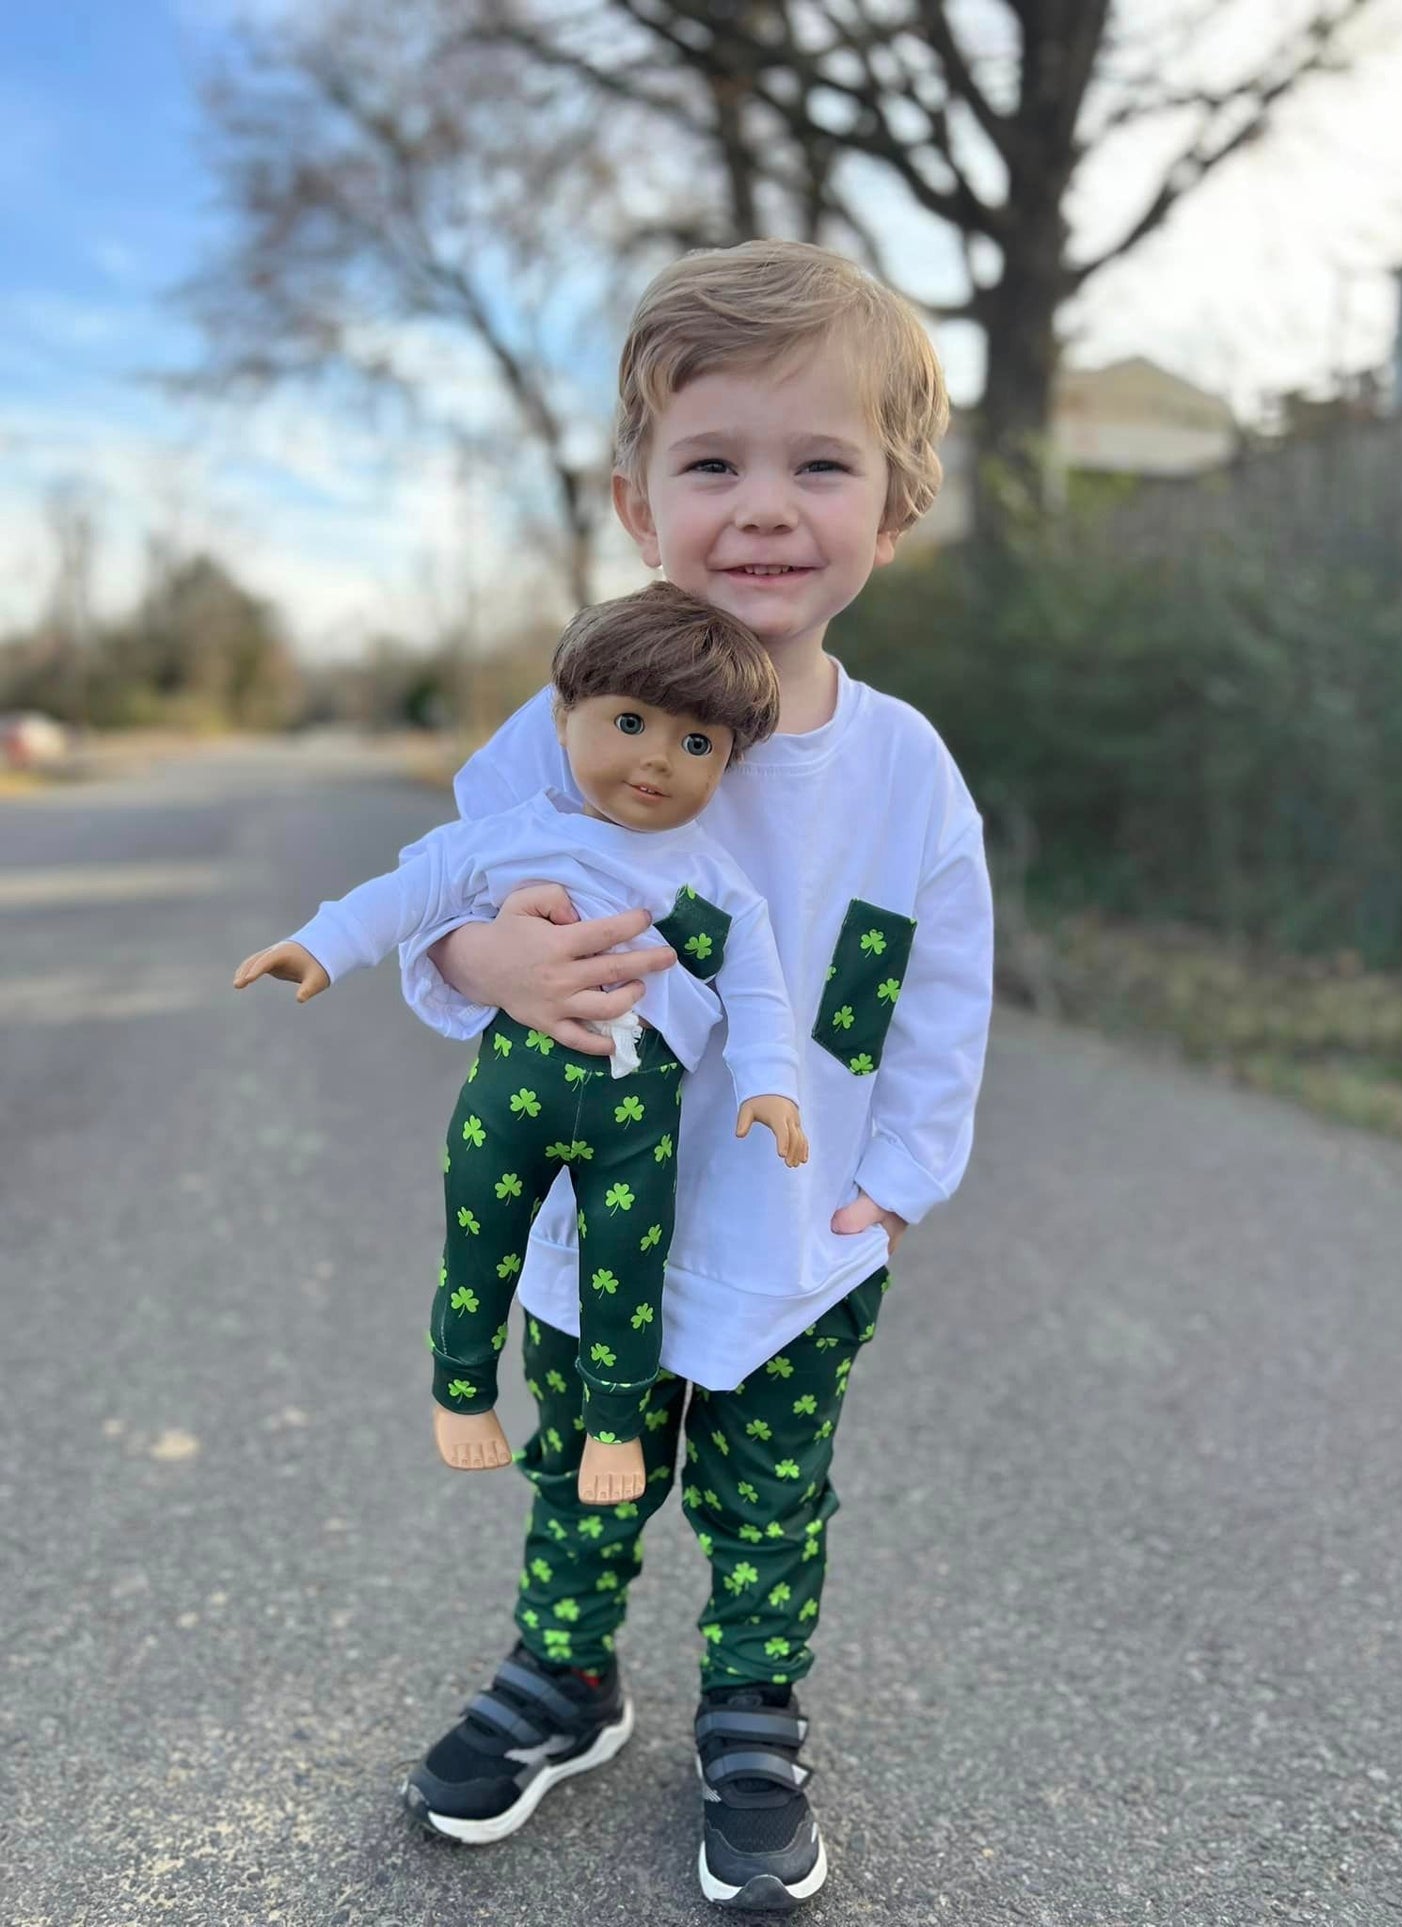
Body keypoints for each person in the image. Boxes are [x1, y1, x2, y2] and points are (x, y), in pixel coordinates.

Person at [398, 239, 994, 1910]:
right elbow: (439, 899)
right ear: (639, 504)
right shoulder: (573, 724)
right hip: (605, 1223)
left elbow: (943, 980)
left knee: (770, 1490)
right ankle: (566, 1675)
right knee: (584, 1468)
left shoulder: (903, 771)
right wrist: (481, 959)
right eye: (712, 462)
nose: (765, 506)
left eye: (820, 463)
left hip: (808, 1231)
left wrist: (908, 1173)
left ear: (894, 508)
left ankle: (753, 1705)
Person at [234, 583, 809, 1507]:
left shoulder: (715, 880)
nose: (658, 759)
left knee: (628, 1265)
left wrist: (770, 1082)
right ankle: (461, 1396)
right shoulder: (509, 838)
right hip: (511, 1099)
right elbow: (408, 890)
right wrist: (322, 945)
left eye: (697, 743)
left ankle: (613, 1423)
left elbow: (758, 986)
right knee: (478, 1242)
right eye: (629, 721)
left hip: (636, 1116)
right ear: (564, 714)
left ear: (727, 760)